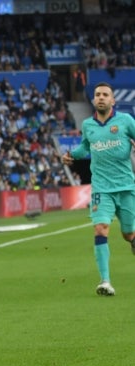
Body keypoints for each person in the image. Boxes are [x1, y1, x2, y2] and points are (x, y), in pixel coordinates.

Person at [62, 82, 135, 296]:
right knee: (101, 228)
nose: (101, 97)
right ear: (94, 100)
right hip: (101, 188)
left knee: (128, 233)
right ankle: (105, 281)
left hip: (126, 187)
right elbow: (86, 146)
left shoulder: (126, 121)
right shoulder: (88, 125)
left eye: (105, 95)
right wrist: (72, 154)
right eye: (97, 95)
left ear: (113, 100)